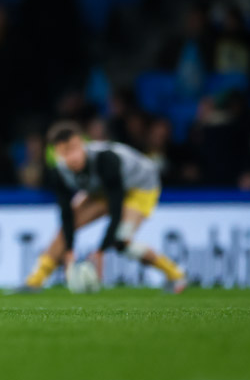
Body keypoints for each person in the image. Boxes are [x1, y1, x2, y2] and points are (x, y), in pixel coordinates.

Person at [17, 121, 187, 294]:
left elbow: (116, 209)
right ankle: (34, 282)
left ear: (83, 143)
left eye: (75, 148)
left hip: (140, 187)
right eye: (65, 152)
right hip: (103, 189)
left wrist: (100, 251)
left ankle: (175, 275)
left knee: (122, 241)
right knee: (65, 230)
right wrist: (69, 251)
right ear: (57, 153)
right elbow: (66, 214)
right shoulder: (59, 171)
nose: (72, 157)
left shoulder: (106, 159)